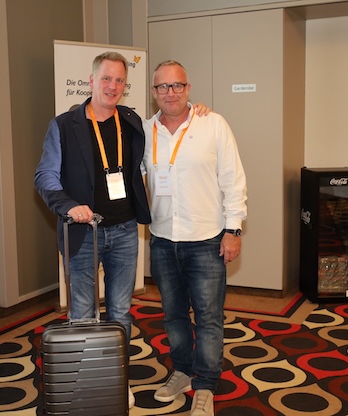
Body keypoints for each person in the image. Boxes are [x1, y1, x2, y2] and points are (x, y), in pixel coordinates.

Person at [34, 51, 151, 408]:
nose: (113, 86)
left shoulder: (131, 121)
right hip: (83, 233)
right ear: (91, 81)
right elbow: (45, 177)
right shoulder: (64, 125)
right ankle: (87, 385)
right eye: (106, 79)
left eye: (119, 80)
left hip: (126, 230)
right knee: (83, 314)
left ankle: (116, 380)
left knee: (120, 313)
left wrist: (195, 110)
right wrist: (68, 205)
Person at [141, 60, 248, 416]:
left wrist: (233, 230)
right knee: (173, 315)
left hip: (206, 239)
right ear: (153, 92)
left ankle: (205, 386)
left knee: (208, 318)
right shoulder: (144, 131)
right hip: (162, 239)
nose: (170, 92)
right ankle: (183, 372)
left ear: (188, 88)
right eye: (162, 86)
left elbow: (233, 179)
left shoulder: (213, 124)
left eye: (177, 85)